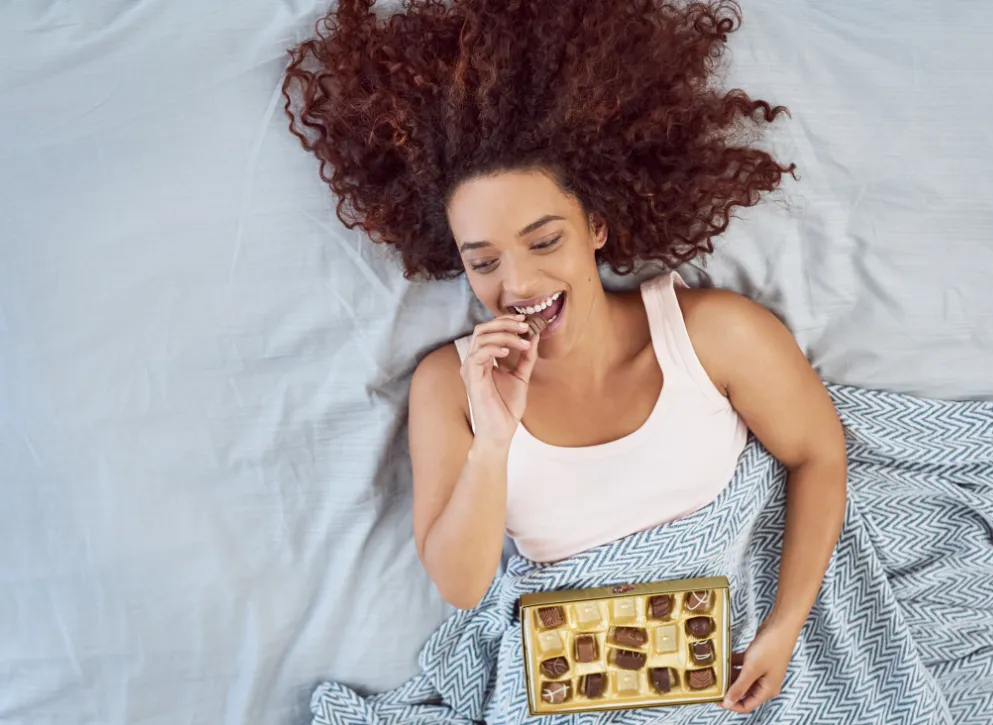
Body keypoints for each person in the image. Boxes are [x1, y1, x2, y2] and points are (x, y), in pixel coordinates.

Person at [283, 0, 847, 714]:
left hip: (736, 663)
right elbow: (461, 585)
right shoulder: (448, 387)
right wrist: (493, 438)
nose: (516, 285)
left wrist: (784, 627)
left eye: (544, 241)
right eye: (482, 260)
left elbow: (818, 454)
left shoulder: (714, 334)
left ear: (597, 226)